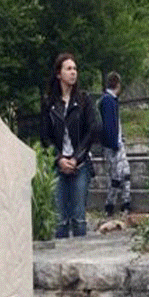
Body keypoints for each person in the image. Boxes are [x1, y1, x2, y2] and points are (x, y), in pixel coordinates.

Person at [40, 53, 98, 238]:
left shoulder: (84, 100)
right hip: (59, 165)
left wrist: (76, 158)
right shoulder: (49, 103)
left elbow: (92, 130)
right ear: (59, 74)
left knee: (79, 216)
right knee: (59, 218)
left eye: (75, 68)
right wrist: (59, 159)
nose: (73, 72)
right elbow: (45, 137)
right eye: (68, 68)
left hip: (80, 164)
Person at [98, 72, 132, 217]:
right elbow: (109, 125)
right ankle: (110, 204)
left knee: (125, 173)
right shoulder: (108, 101)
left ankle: (125, 203)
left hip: (116, 144)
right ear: (118, 84)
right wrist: (114, 143)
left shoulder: (110, 100)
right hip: (113, 146)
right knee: (116, 176)